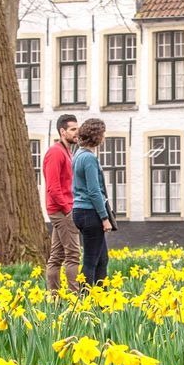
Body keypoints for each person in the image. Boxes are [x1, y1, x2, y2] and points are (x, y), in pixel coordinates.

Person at [71, 118, 113, 288]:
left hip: (81, 211)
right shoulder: (88, 158)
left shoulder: (78, 154)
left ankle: (100, 300)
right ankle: (86, 302)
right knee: (90, 261)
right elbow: (94, 191)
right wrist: (104, 217)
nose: (104, 137)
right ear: (97, 136)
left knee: (102, 259)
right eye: (103, 133)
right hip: (90, 213)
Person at [42, 113, 80, 295]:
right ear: (62, 131)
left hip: (63, 208)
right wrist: (67, 210)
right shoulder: (55, 152)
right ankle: (75, 298)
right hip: (61, 210)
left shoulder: (67, 152)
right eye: (73, 129)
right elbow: (53, 186)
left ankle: (54, 297)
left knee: (56, 256)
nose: (76, 133)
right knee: (73, 255)